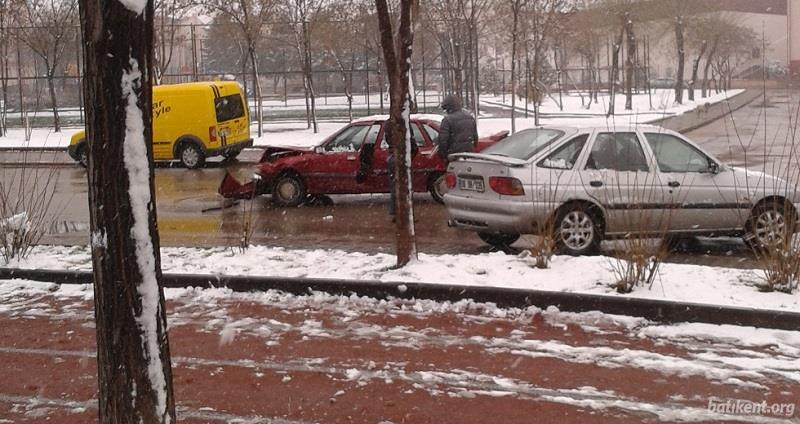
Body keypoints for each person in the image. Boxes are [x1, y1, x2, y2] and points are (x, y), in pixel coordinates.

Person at [436, 94, 478, 164]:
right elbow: (475, 138)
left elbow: (443, 141)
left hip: (454, 156)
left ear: (448, 108)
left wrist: (444, 156)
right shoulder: (470, 117)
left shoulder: (447, 120)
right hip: (468, 155)